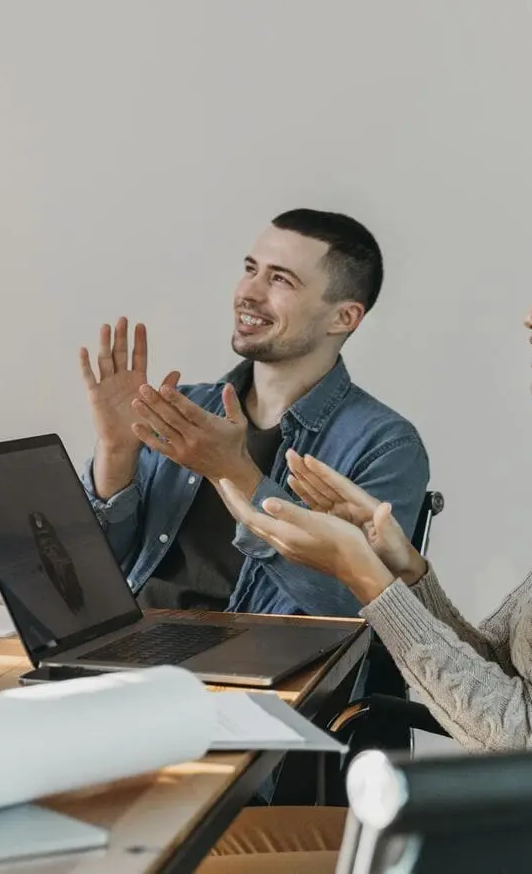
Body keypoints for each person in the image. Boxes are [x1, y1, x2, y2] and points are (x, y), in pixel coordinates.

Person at [206, 158, 532, 871]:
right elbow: (497, 668)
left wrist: (369, 583)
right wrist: (401, 564)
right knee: (203, 843)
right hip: (525, 835)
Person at [79, 210, 428, 617]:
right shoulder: (183, 408)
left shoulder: (384, 445)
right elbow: (90, 579)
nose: (249, 292)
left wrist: (236, 475)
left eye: (280, 279)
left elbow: (358, 608)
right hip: (135, 653)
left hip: (265, 675)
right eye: (251, 269)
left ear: (343, 317)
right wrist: (117, 453)